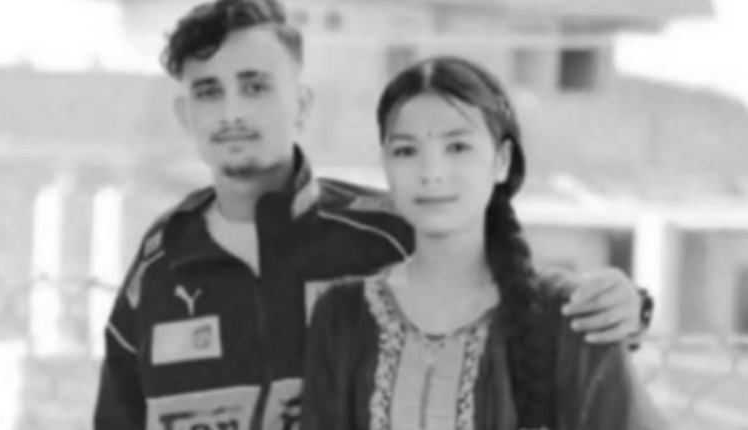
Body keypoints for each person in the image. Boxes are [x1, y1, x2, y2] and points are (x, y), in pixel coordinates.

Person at [92, 1, 652, 429]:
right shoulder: (159, 266)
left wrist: (626, 306)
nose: (231, 112)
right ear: (185, 114)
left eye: (255, 86)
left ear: (302, 104)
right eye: (208, 92)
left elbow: (519, 286)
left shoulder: (388, 232)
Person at [301, 56, 665, 430]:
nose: (432, 173)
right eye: (406, 151)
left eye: (458, 147)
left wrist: (634, 309)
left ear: (502, 160)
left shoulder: (569, 313)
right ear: (386, 164)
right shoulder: (341, 315)